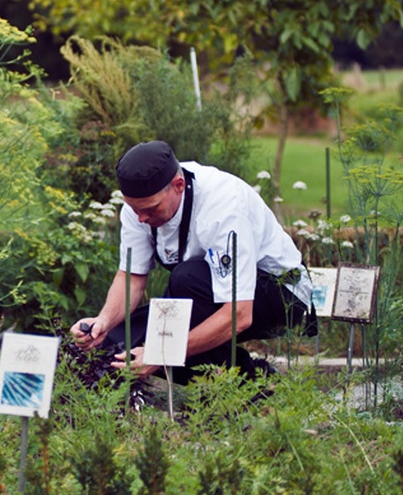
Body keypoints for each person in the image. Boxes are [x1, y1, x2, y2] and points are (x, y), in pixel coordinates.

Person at [71, 140, 315, 385]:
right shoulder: (139, 207)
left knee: (178, 297)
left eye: (150, 209)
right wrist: (103, 321)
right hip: (209, 293)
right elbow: (131, 278)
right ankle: (249, 378)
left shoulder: (223, 206)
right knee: (127, 343)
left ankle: (249, 386)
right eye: (134, 209)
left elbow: (240, 314)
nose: (141, 218)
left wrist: (163, 352)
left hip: (281, 295)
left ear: (178, 186)